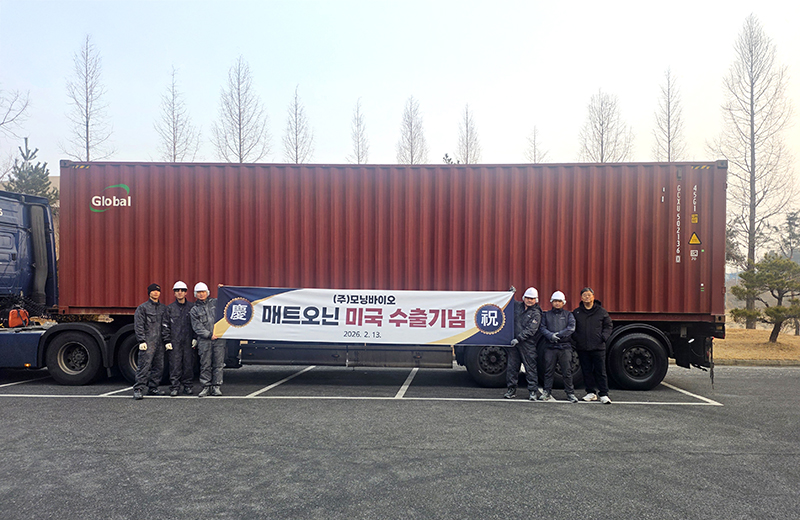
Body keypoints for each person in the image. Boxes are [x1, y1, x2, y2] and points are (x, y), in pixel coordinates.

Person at [572, 287, 614, 404]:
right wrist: (577, 339)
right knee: (586, 370)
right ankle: (590, 392)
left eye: (589, 295)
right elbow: (572, 328)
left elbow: (608, 326)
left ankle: (604, 394)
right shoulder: (577, 312)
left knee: (600, 371)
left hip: (598, 347)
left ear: (593, 297)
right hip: (583, 347)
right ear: (581, 298)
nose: (587, 297)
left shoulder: (601, 312)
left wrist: (603, 337)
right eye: (584, 295)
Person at [132, 283, 170, 400]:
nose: (156, 293)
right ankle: (138, 389)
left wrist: (167, 340)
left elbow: (166, 325)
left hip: (160, 342)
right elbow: (139, 325)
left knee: (159, 366)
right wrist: (142, 340)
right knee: (144, 365)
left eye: (157, 291)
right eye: (153, 291)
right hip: (148, 341)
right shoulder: (142, 308)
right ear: (149, 293)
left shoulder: (163, 308)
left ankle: (153, 387)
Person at [503, 287, 542, 400]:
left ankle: (533, 391)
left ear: (536, 300)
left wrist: (519, 338)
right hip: (514, 344)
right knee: (512, 367)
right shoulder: (518, 306)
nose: (529, 300)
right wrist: (510, 294)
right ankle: (511, 390)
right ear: (524, 298)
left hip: (527, 344)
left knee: (530, 368)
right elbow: (509, 302)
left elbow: (531, 330)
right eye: (528, 298)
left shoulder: (536, 313)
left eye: (532, 299)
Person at [539, 291, 578, 403]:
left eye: (559, 301)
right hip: (550, 347)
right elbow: (542, 328)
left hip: (565, 347)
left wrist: (558, 335)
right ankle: (546, 392)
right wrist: (550, 336)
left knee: (567, 372)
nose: (557, 303)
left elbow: (571, 328)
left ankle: (570, 393)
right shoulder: (546, 315)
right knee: (548, 371)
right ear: (552, 302)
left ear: (563, 303)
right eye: (555, 301)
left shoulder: (568, 315)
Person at [190, 282, 225, 397]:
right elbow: (197, 327)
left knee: (218, 364)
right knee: (205, 364)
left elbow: (227, 303)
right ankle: (206, 387)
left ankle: (216, 387)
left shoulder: (215, 303)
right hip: (204, 341)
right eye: (199, 292)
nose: (201, 294)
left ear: (207, 292)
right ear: (195, 294)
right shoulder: (194, 310)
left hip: (219, 339)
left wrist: (223, 290)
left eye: (203, 292)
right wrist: (209, 335)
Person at [166, 281, 197, 396]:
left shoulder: (192, 308)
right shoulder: (170, 309)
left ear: (186, 292)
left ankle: (187, 386)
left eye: (182, 290)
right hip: (175, 341)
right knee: (175, 365)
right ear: (174, 293)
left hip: (188, 341)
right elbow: (165, 325)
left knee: (188, 364)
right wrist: (167, 340)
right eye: (177, 290)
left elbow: (196, 324)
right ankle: (175, 387)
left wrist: (195, 337)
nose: (180, 292)